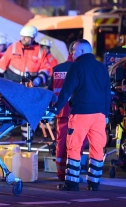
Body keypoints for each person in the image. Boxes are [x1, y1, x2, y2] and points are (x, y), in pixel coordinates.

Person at [52, 39, 111, 191]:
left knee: (74, 146)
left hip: (81, 114)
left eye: (74, 50)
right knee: (97, 147)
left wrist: (55, 109)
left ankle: (72, 183)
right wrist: (106, 113)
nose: (72, 53)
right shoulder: (102, 67)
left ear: (83, 51)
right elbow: (106, 92)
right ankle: (94, 182)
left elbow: (66, 91)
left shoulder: (76, 66)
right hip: (99, 115)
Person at [48, 41, 87, 181]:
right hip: (77, 112)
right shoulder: (81, 68)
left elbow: (50, 91)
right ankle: (72, 174)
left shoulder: (57, 69)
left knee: (61, 144)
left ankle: (61, 173)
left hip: (61, 113)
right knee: (76, 144)